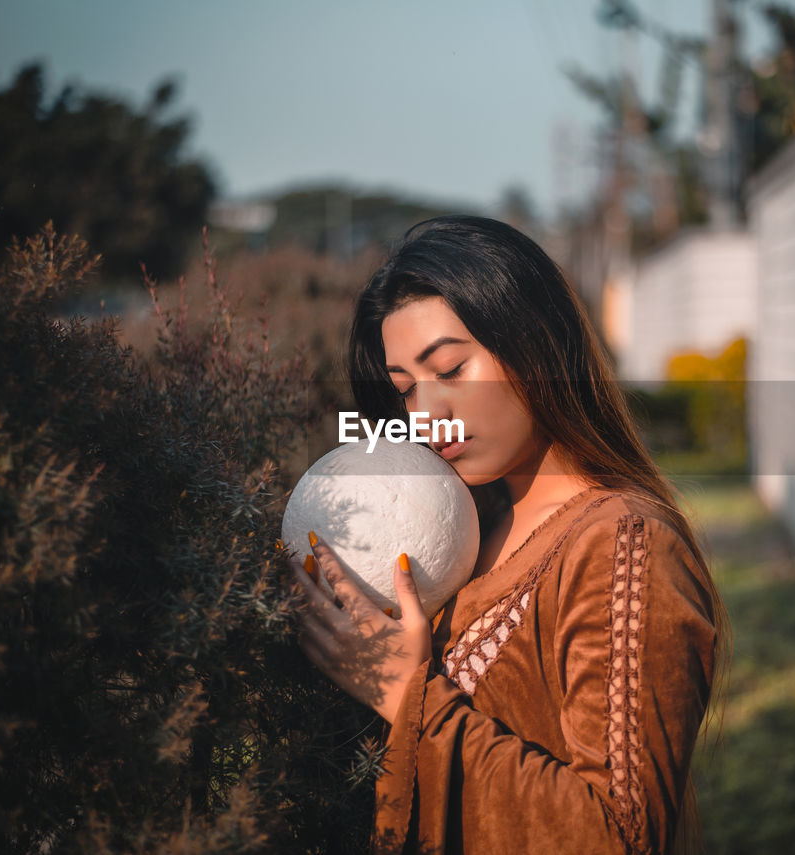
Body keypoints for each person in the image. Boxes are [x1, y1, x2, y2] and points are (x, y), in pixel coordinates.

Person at [289, 215, 731, 854]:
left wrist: (406, 692)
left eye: (451, 368)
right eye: (405, 389)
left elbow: (621, 838)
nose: (428, 414)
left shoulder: (624, 543)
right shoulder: (464, 530)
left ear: (535, 343)